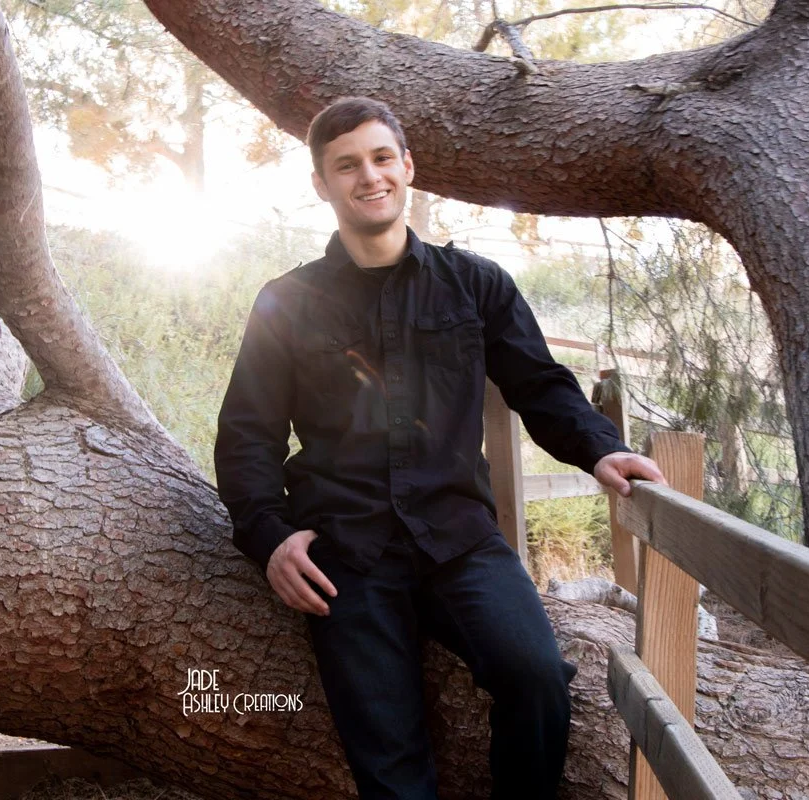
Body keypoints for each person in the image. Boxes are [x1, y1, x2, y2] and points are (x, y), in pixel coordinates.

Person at [214, 97, 667, 800]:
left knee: (538, 679)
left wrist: (600, 449)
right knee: (390, 768)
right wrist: (268, 536)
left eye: (381, 157)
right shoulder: (287, 301)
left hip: (460, 542)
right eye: (347, 165)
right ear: (322, 184)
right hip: (345, 557)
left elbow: (540, 383)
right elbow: (248, 433)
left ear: (407, 166)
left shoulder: (477, 284)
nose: (369, 176)